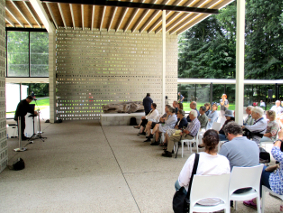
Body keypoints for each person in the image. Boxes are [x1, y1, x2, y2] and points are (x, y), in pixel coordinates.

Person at [174, 129, 230, 205]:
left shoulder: (195, 158)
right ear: (217, 143)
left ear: (203, 142)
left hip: (196, 198)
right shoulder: (224, 160)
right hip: (218, 199)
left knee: (177, 184)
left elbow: (182, 181)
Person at [243, 135, 283, 210]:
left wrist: (279, 139)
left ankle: (255, 201)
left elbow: (275, 151)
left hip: (280, 187)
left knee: (260, 169)